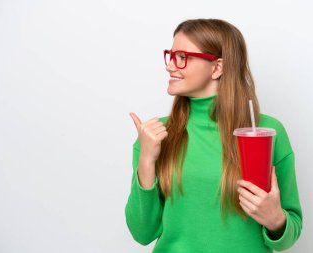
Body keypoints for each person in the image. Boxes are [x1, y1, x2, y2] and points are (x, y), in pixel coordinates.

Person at [125, 18, 302, 252]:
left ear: (217, 67)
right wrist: (146, 160)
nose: (170, 66)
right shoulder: (155, 136)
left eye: (182, 57)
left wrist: (276, 219)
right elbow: (142, 232)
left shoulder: (268, 133)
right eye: (171, 55)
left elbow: (291, 231)